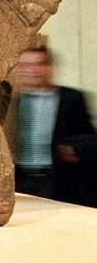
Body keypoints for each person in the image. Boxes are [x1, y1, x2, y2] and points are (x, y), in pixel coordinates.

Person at [6, 46, 97, 205]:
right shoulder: (11, 103)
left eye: (39, 64)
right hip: (21, 180)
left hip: (56, 181)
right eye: (26, 66)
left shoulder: (70, 99)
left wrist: (72, 147)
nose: (32, 70)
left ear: (49, 68)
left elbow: (90, 137)